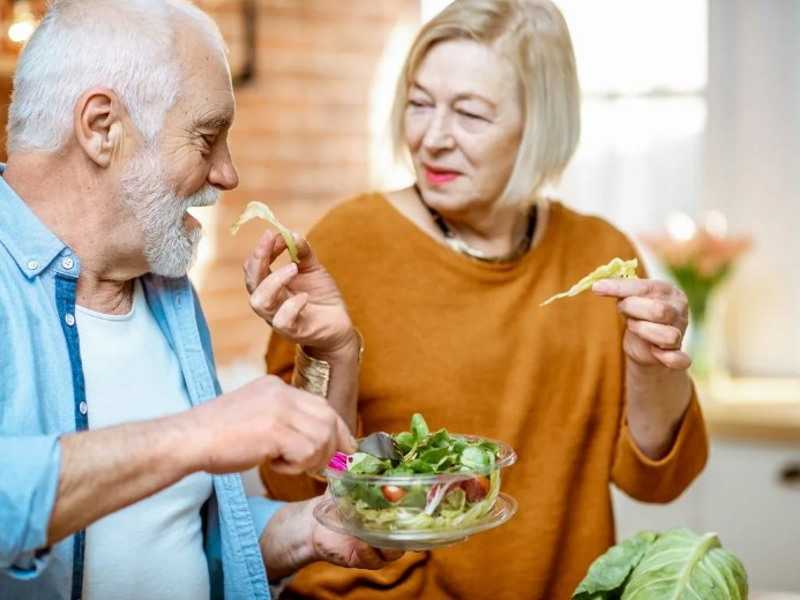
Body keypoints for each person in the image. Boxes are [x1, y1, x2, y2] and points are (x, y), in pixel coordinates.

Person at [253, 1, 709, 598]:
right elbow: (300, 490)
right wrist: (332, 358)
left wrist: (652, 367)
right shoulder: (347, 241)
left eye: (470, 113)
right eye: (419, 103)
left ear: (540, 125)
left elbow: (659, 483)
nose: (432, 138)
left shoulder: (601, 255)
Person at [0, 1, 400, 598]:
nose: (228, 174)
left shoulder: (165, 292)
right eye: (208, 137)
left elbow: (177, 539)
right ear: (102, 126)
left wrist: (311, 531)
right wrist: (196, 435)